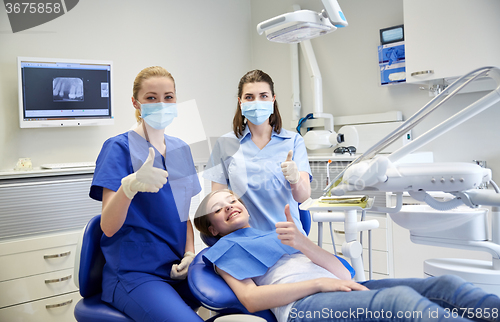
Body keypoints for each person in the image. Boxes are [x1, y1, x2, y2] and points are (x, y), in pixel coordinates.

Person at [194, 189, 500, 322]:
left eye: (232, 199)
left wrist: (304, 244)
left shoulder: (277, 233)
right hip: (304, 308)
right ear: (212, 228)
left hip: (335, 288)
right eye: (219, 208)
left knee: (446, 286)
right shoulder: (223, 251)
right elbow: (251, 299)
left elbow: (342, 275)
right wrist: (317, 285)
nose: (230, 205)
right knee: (399, 302)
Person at [89, 66, 204, 321]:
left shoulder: (181, 149)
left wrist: (189, 253)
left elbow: (183, 214)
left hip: (176, 269)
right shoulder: (117, 148)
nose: (161, 104)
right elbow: (108, 226)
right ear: (136, 103)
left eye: (168, 97)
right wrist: (129, 187)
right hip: (134, 274)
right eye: (151, 98)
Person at [203, 69, 312, 234]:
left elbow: (303, 197)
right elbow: (218, 203)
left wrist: (296, 179)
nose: (257, 102)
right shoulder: (225, 144)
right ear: (240, 102)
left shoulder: (293, 141)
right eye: (249, 97)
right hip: (244, 240)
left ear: (273, 100)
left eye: (263, 96)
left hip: (288, 238)